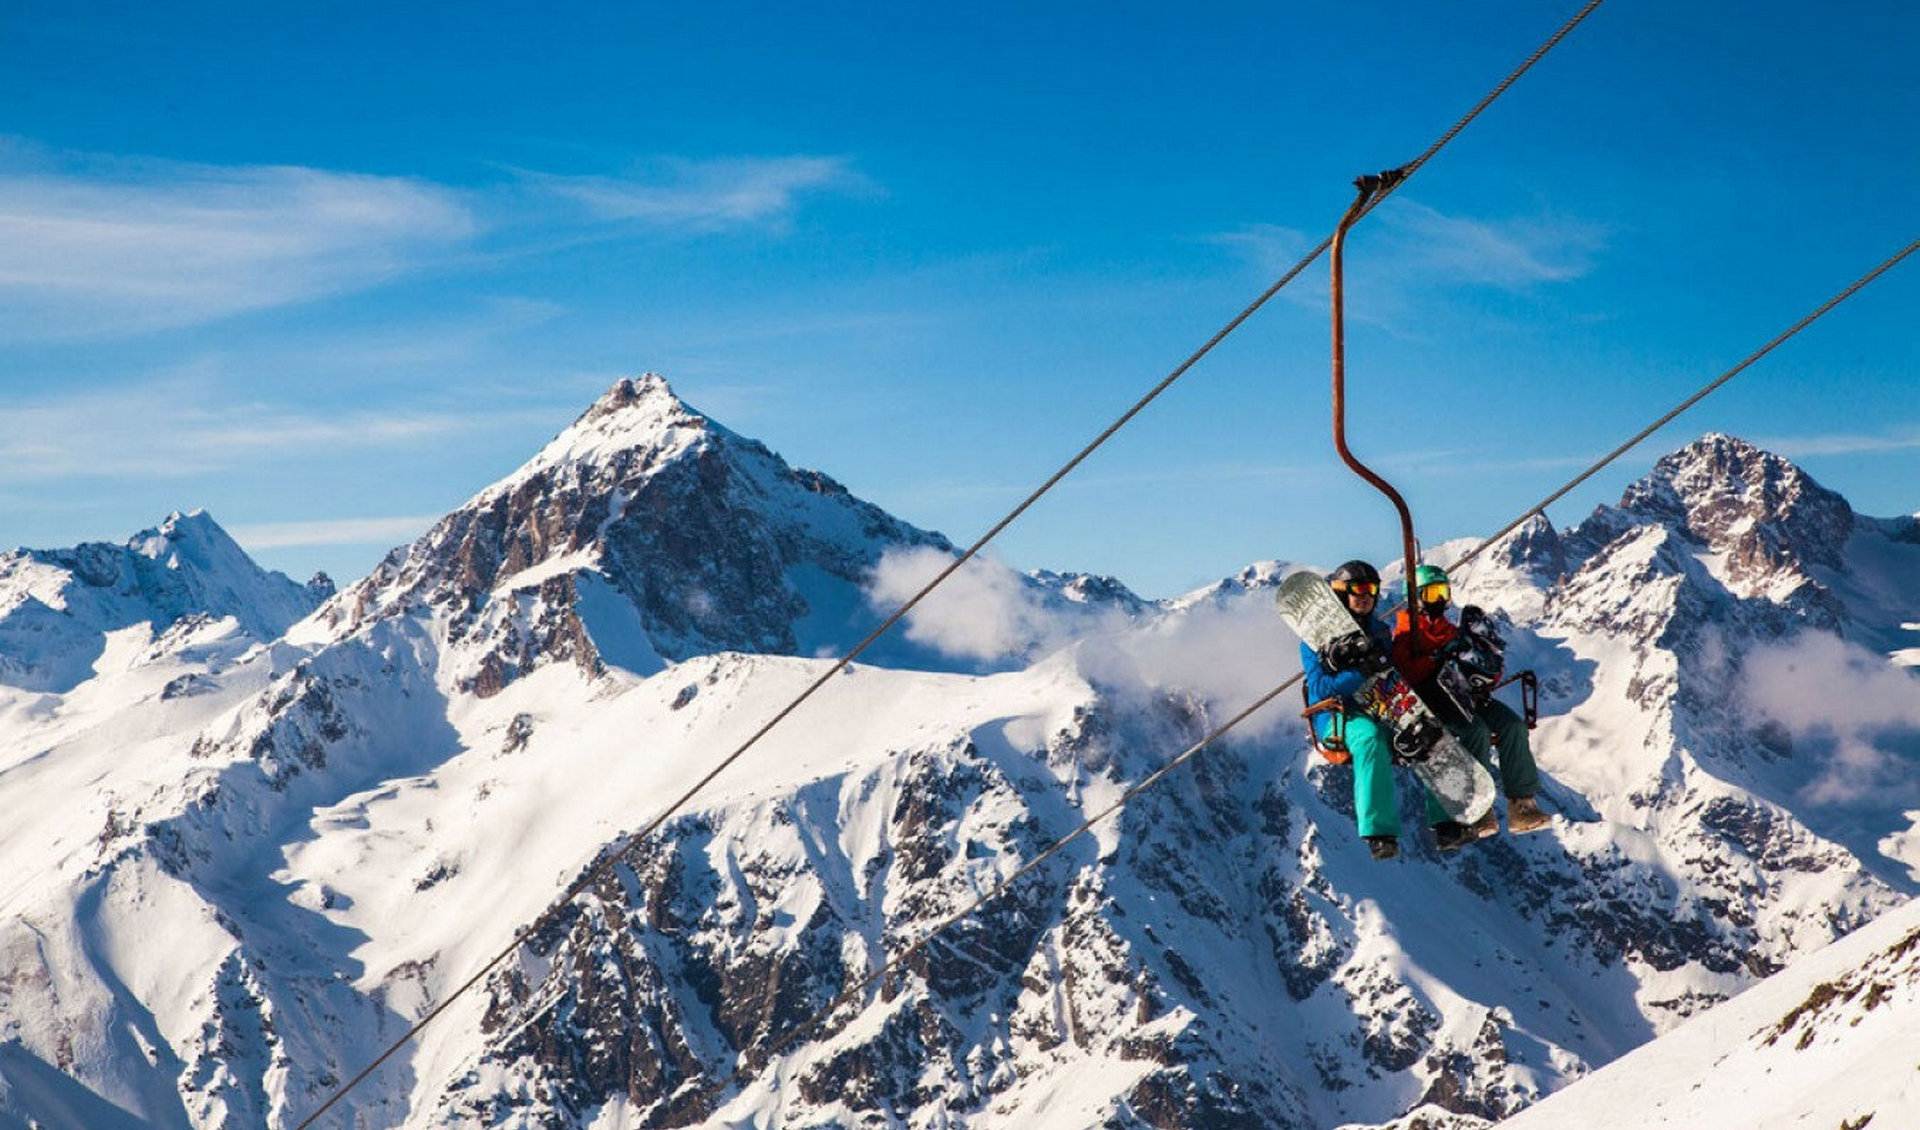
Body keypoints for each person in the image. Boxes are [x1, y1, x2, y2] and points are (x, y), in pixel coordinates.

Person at [1391, 564, 1549, 844]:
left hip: (1466, 696)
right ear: (1416, 598)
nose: (1439, 600)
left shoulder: (1450, 630)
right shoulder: (1405, 636)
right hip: (1436, 703)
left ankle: (1522, 804)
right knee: (1474, 731)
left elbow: (1477, 665)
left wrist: (1481, 663)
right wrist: (1437, 659)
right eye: (1431, 593)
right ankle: (1479, 807)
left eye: (1443, 592)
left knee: (1512, 726)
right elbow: (1408, 673)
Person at [1300, 560, 1443, 861]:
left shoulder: (1379, 631)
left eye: (1372, 589)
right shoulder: (1315, 639)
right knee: (1370, 737)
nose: (1366, 596)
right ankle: (1379, 832)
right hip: (1339, 716)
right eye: (1359, 590)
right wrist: (1361, 671)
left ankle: (1446, 821)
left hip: (1379, 703)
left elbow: (1389, 675)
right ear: (1341, 594)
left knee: (1425, 731)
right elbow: (1321, 689)